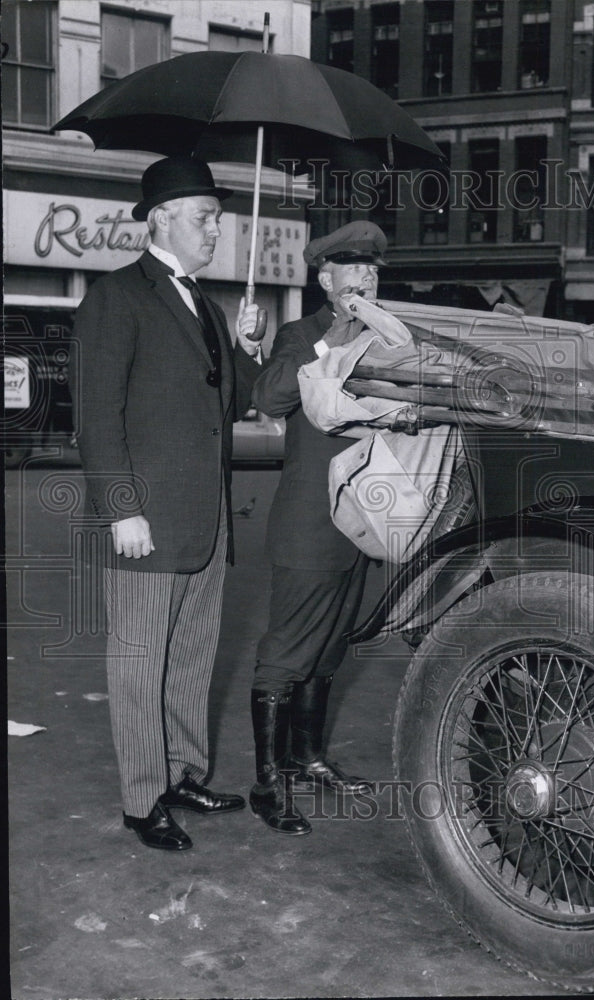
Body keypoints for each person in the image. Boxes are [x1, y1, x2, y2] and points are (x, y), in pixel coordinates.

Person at [70, 156, 265, 851]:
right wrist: (122, 507)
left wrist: (246, 346)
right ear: (160, 218)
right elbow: (96, 416)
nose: (216, 229)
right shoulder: (116, 297)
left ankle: (183, 773)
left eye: (217, 217)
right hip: (145, 524)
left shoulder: (204, 304)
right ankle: (142, 798)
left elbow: (236, 401)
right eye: (203, 216)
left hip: (204, 524)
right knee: (137, 662)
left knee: (190, 657)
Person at [249, 221, 387, 836]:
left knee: (329, 651)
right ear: (326, 280)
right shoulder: (302, 334)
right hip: (308, 524)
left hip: (361, 523)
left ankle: (305, 758)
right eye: (355, 271)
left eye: (374, 270)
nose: (368, 279)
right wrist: (329, 342)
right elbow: (271, 397)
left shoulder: (387, 339)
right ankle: (266, 784)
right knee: (285, 656)